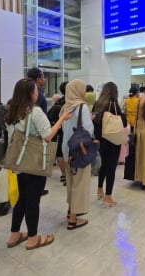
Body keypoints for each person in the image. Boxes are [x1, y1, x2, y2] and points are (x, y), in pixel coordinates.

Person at [4, 78, 69, 251]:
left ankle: (14, 234)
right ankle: (33, 238)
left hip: (18, 161)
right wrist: (61, 119)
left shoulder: (12, 112)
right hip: (34, 162)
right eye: (35, 90)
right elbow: (48, 136)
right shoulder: (35, 112)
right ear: (30, 94)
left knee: (22, 199)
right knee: (33, 201)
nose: (38, 93)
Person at [60, 80, 94, 230]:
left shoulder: (65, 107)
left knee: (71, 183)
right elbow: (88, 130)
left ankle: (70, 211)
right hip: (79, 150)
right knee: (79, 184)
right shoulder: (82, 107)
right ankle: (73, 219)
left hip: (67, 149)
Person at [93, 82, 127, 207]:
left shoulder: (97, 105)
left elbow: (94, 122)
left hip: (101, 140)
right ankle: (108, 196)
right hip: (113, 140)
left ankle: (99, 189)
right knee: (111, 168)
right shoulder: (114, 106)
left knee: (103, 165)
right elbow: (123, 122)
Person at [47, 82, 68, 186]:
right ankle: (67, 175)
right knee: (66, 153)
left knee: (60, 152)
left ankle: (64, 174)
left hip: (57, 130)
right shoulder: (70, 102)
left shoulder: (58, 101)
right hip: (66, 130)